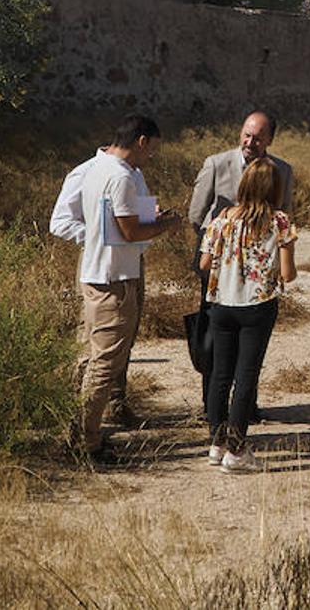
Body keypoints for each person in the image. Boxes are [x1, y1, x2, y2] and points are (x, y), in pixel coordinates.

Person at [75, 115, 181, 463]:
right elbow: (130, 232)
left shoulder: (97, 167)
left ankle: (81, 431)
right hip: (113, 281)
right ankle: (85, 441)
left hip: (99, 274)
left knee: (92, 359)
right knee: (104, 364)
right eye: (152, 149)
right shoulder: (120, 176)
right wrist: (166, 224)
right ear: (141, 141)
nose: (151, 156)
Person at [189, 111, 295, 417]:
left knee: (252, 343)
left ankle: (246, 405)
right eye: (246, 134)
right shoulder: (216, 164)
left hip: (259, 275)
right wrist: (222, 249)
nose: (250, 142)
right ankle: (213, 407)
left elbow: (284, 212)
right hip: (220, 269)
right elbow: (197, 214)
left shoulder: (282, 171)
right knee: (214, 339)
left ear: (270, 140)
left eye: (258, 137)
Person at [199, 158, 298, 472]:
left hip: (222, 303)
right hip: (257, 304)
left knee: (219, 374)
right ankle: (237, 450)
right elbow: (288, 273)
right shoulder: (279, 221)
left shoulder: (221, 219)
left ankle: (216, 442)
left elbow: (203, 264)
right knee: (246, 377)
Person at [52, 145, 147, 428]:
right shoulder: (85, 172)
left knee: (126, 332)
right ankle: (81, 415)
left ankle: (116, 402)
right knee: (96, 338)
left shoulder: (135, 174)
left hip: (132, 259)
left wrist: (152, 220)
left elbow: (137, 217)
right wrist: (96, 236)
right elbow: (59, 221)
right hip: (99, 262)